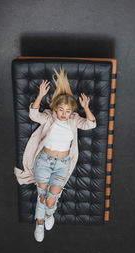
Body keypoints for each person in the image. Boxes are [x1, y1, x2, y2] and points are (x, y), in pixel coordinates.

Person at [24, 67, 96, 242]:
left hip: (63, 164)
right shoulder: (49, 117)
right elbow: (33, 114)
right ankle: (39, 223)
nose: (64, 114)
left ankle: (49, 213)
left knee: (50, 200)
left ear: (72, 112)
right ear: (55, 108)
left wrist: (86, 108)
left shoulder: (74, 120)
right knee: (42, 196)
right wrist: (40, 95)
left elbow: (91, 124)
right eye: (61, 110)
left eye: (68, 111)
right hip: (44, 161)